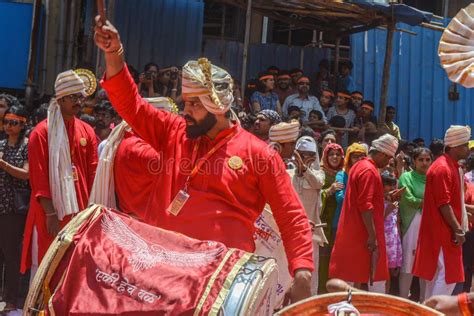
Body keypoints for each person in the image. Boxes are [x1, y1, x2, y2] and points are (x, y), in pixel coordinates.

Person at [94, 18, 314, 302]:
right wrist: (114, 55)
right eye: (186, 101)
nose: (186, 110)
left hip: (220, 284)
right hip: (160, 273)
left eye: (195, 103)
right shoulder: (174, 131)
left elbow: (291, 215)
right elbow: (131, 105)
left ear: (218, 106)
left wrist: (303, 271)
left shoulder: (258, 154)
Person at [20, 70, 98, 276]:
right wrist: (51, 213)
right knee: (46, 266)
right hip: (50, 213)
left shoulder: (87, 131)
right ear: (60, 99)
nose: (79, 101)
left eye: (81, 97)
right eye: (74, 97)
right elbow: (38, 177)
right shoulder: (41, 132)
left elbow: (94, 173)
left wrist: (92, 210)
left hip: (79, 211)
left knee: (73, 267)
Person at [330, 134, 399, 293]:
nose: (388, 162)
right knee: (375, 282)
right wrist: (372, 236)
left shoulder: (359, 166)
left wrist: (383, 198)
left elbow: (363, 199)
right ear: (381, 153)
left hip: (354, 232)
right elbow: (365, 205)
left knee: (350, 279)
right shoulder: (369, 170)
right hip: (362, 234)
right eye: (388, 158)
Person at [413, 125, 471, 300]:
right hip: (441, 232)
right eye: (465, 145)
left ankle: (428, 311)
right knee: (447, 277)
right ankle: (433, 311)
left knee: (437, 276)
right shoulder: (443, 168)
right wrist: (457, 229)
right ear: (454, 146)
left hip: (442, 231)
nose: (468, 149)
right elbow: (443, 204)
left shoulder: (450, 166)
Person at [287, 136, 327, 294]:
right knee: (288, 274)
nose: (305, 158)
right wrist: (298, 170)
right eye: (301, 154)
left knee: (310, 274)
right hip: (290, 232)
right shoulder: (288, 173)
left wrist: (304, 169)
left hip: (311, 233)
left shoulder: (319, 175)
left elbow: (317, 183)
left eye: (309, 154)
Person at [0, 105, 30, 312]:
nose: (8, 126)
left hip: (13, 208)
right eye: (6, 122)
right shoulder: (0, 143)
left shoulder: (27, 146)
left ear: (23, 124)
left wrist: (3, 164)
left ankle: (11, 297)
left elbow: (26, 174)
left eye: (13, 122)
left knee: (10, 254)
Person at [398, 147, 432, 299]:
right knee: (408, 265)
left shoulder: (434, 177)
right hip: (412, 224)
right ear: (414, 161)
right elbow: (409, 199)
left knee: (427, 265)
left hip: (430, 225)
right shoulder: (406, 177)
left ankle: (425, 305)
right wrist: (430, 203)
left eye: (427, 160)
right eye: (421, 160)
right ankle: (403, 302)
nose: (424, 163)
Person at [318, 142, 344, 294]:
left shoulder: (343, 174)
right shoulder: (319, 173)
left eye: (338, 154)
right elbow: (311, 198)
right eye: (331, 154)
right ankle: (320, 294)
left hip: (338, 225)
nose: (335, 157)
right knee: (322, 262)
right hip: (323, 226)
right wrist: (328, 191)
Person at [334, 143, 368, 233]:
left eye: (362, 156)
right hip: (343, 223)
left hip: (361, 223)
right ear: (349, 159)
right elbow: (340, 198)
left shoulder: (366, 175)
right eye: (355, 157)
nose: (359, 160)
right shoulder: (341, 175)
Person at [381, 171, 402, 294]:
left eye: (393, 185)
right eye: (388, 185)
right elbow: (378, 219)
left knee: (389, 273)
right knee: (382, 272)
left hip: (393, 241)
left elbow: (397, 222)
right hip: (383, 239)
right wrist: (389, 209)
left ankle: (386, 296)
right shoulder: (379, 201)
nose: (392, 188)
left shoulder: (393, 201)